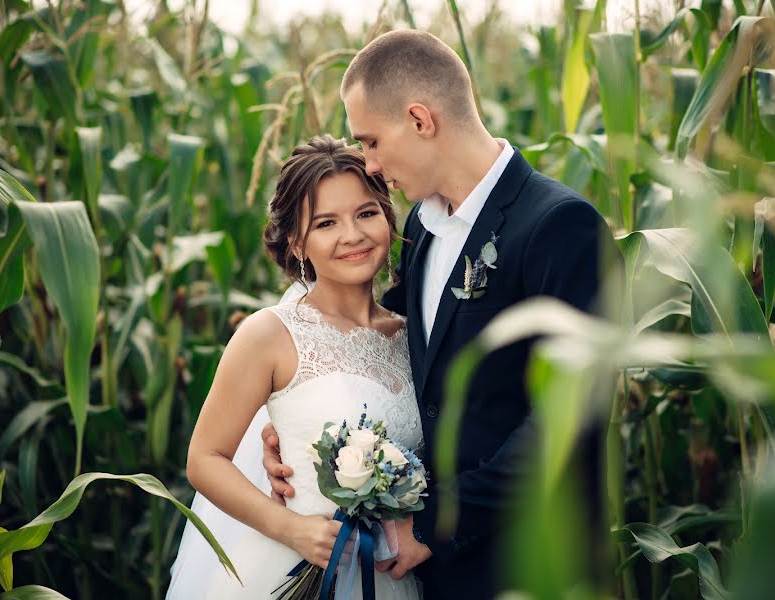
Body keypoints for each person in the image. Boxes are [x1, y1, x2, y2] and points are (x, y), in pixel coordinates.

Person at [262, 30, 618, 599]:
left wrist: (432, 525)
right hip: (434, 577)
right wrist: (297, 423)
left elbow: (569, 419)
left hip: (529, 564)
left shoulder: (559, 227)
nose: (371, 167)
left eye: (372, 142)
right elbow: (384, 344)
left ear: (421, 119)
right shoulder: (423, 227)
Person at [166, 134, 422, 599]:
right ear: (297, 243)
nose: (353, 235)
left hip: (389, 572)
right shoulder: (268, 334)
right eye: (326, 223)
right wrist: (290, 529)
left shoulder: (413, 336)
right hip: (284, 566)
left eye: (366, 213)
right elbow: (205, 459)